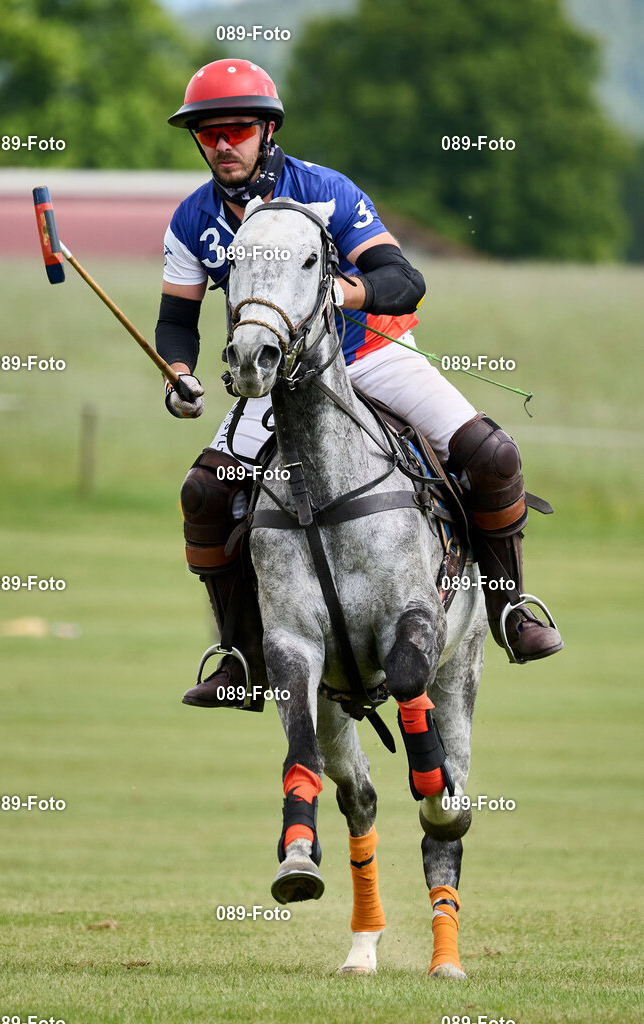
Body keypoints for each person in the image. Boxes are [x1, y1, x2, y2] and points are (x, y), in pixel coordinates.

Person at [156, 58, 563, 710]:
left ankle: (511, 607)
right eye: (207, 134)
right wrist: (178, 373)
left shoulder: (326, 192)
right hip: (278, 382)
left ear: (265, 130)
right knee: (204, 493)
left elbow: (403, 280)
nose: (222, 144)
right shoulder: (192, 220)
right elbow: (176, 321)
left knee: (493, 455)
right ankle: (238, 655)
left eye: (234, 129)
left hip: (371, 355)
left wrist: (343, 291)